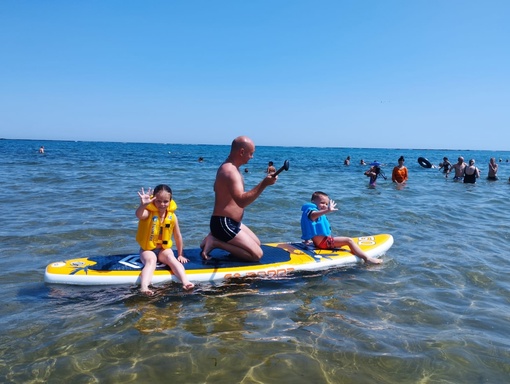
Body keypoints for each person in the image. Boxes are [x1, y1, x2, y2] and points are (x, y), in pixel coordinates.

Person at [200, 136, 278, 261]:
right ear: (241, 152)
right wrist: (264, 184)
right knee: (256, 255)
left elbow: (218, 189)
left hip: (231, 222)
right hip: (223, 223)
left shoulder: (229, 168)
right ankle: (216, 242)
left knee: (257, 244)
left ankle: (214, 239)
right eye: (251, 153)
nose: (252, 157)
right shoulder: (230, 171)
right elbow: (241, 201)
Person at [136, 184, 194, 294]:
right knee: (151, 261)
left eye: (165, 201)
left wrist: (180, 254)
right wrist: (143, 205)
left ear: (170, 200)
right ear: (153, 199)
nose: (162, 204)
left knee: (172, 258)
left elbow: (177, 236)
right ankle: (144, 287)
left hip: (163, 249)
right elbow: (139, 215)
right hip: (148, 250)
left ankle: (186, 282)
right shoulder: (148, 213)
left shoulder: (172, 216)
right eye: (158, 201)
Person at [300, 191, 382, 264]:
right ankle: (367, 258)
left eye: (326, 204)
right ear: (313, 201)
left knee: (341, 244)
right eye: (322, 202)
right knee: (348, 240)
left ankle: (340, 246)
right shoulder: (312, 211)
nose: (324, 205)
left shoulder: (308, 210)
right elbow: (313, 216)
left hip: (319, 243)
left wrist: (307, 241)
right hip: (324, 243)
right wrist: (327, 210)